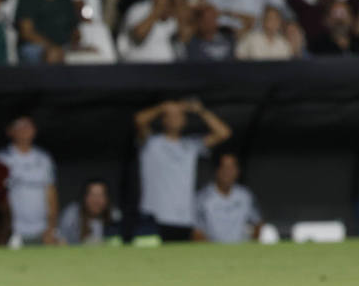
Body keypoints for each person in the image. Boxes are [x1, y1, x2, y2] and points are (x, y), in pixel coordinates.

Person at [133, 99, 232, 242]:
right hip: (154, 217)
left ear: (185, 121)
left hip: (184, 218)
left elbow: (223, 133)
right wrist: (162, 107)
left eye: (179, 116)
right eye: (171, 116)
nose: (175, 119)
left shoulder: (191, 145)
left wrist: (200, 111)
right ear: (163, 120)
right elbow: (139, 120)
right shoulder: (151, 143)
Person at [0, 116, 58, 245]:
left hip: (41, 229)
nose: (25, 130)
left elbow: (51, 193)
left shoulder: (44, 159)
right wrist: (2, 228)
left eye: (28, 126)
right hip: (13, 231)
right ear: (10, 131)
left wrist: (51, 227)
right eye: (20, 126)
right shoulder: (1, 159)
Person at [193, 153, 263, 243]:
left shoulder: (245, 196)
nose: (228, 172)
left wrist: (252, 247)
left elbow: (258, 223)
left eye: (232, 168)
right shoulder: (202, 197)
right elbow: (195, 231)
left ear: (238, 171)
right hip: (212, 253)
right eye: (224, 168)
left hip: (240, 252)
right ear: (217, 170)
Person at [117, 0, 189, 63]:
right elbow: (138, 35)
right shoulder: (138, 9)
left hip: (169, 69)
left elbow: (184, 37)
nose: (169, 4)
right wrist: (157, 10)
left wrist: (180, 6)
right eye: (168, 0)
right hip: (140, 67)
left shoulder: (174, 13)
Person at [56, 180, 122, 245]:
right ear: (84, 197)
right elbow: (60, 238)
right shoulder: (72, 214)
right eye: (92, 195)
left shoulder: (115, 215)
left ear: (107, 198)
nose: (96, 200)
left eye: (101, 195)